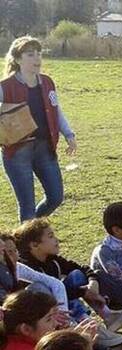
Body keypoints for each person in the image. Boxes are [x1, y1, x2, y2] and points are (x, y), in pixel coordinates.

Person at [14, 218, 122, 339]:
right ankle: (80, 329)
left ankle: (107, 316)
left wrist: (92, 281)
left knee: (77, 275)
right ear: (34, 245)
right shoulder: (25, 267)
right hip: (45, 313)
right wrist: (82, 292)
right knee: (42, 288)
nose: (56, 239)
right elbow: (43, 299)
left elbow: (82, 269)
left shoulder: (53, 259)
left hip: (60, 302)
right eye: (50, 236)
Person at [1, 36, 76, 222]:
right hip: (17, 152)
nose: (37, 59)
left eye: (39, 54)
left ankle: (27, 231)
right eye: (30, 55)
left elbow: (56, 110)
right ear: (18, 59)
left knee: (56, 197)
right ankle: (27, 242)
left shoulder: (47, 82)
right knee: (27, 207)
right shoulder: (5, 86)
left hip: (45, 148)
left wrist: (68, 134)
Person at [1, 230, 70, 313]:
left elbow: (55, 283)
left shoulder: (18, 267)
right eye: (8, 252)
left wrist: (61, 310)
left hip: (18, 313)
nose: (15, 256)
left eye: (15, 250)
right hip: (11, 316)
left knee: (38, 287)